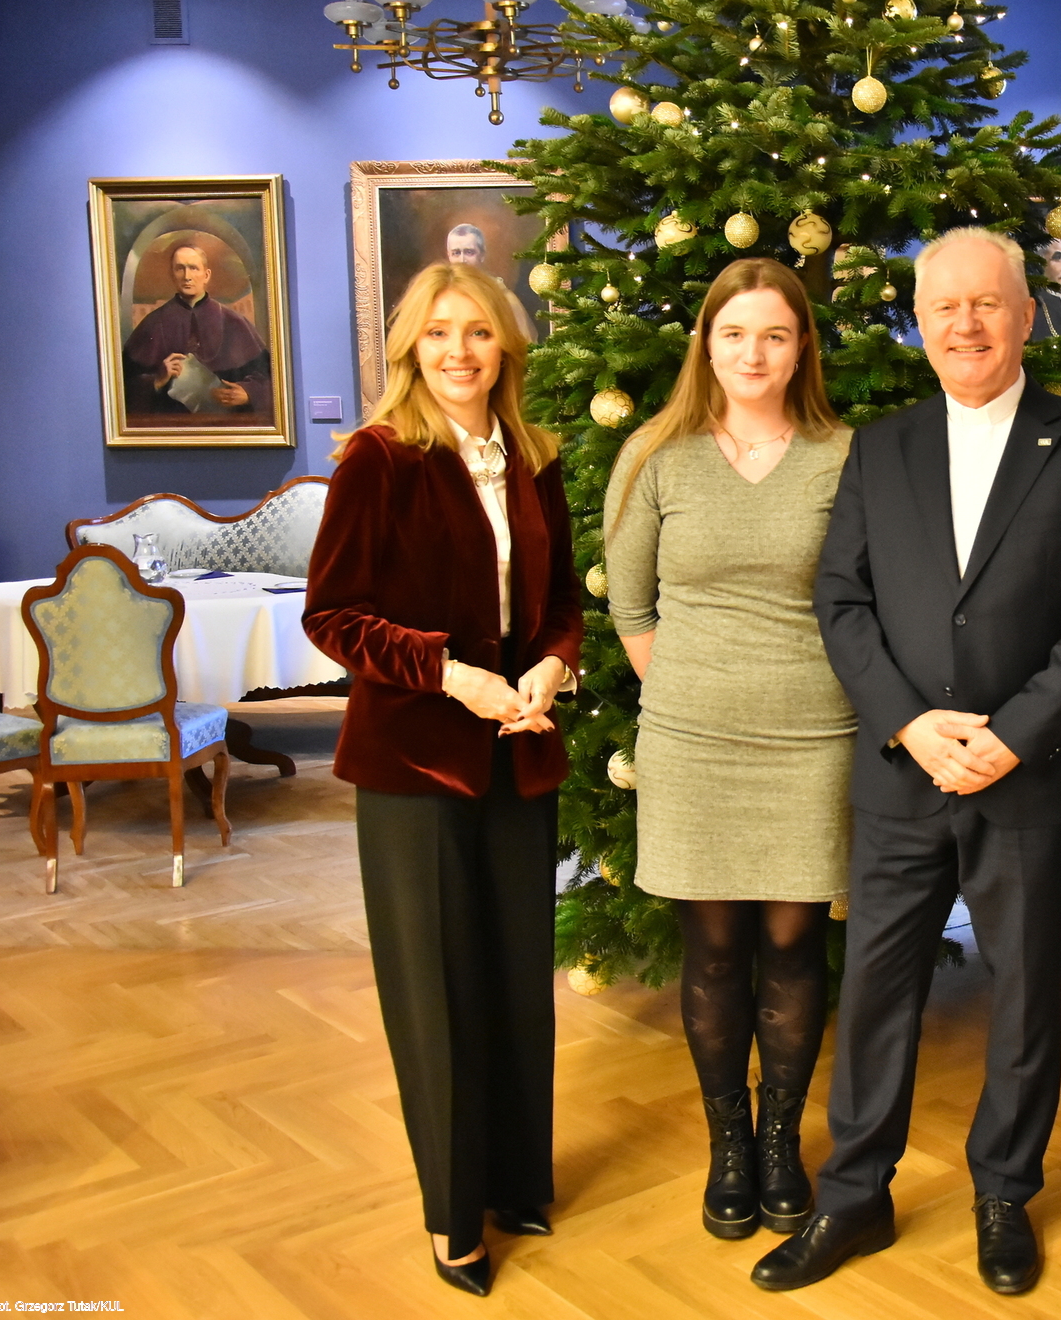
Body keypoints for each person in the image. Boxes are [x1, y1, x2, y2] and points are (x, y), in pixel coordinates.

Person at [750, 228, 1061, 1296]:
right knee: (877, 989)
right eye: (943, 308)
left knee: (1024, 994)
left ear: (1025, 314)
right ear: (918, 324)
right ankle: (854, 1196)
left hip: (1035, 775)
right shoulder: (881, 449)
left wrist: (1011, 734)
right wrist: (909, 724)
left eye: (986, 303)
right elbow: (842, 598)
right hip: (902, 771)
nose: (965, 324)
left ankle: (1004, 1193)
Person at [303, 260, 583, 1299]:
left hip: (518, 746)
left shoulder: (535, 458)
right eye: (437, 334)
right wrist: (449, 674)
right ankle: (452, 1214)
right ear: (409, 351)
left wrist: (553, 665)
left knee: (515, 978)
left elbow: (560, 602)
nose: (459, 351)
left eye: (477, 332)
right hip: (414, 760)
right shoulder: (379, 459)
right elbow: (331, 615)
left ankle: (515, 1183)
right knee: (437, 991)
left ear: (505, 346)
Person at [603, 257, 853, 1242]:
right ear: (706, 343)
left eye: (775, 335)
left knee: (792, 944)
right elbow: (630, 605)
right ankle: (729, 1144)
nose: (754, 353)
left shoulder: (844, 456)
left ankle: (782, 1138)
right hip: (693, 742)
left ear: (802, 348)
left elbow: (867, 599)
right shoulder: (656, 455)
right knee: (712, 952)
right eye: (735, 333)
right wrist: (689, 691)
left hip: (813, 738)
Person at [122, 240, 272, 419]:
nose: (187, 276)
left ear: (206, 275)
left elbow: (270, 377)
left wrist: (248, 393)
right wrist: (156, 381)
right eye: (180, 268)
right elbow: (121, 385)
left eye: (193, 268)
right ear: (172, 274)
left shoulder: (234, 322)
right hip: (169, 425)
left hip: (225, 425)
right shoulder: (153, 323)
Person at [446, 223, 537, 340]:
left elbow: (523, 343)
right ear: (449, 255)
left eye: (469, 252)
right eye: (456, 253)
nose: (462, 260)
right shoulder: (441, 296)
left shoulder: (504, 299)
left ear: (482, 255)